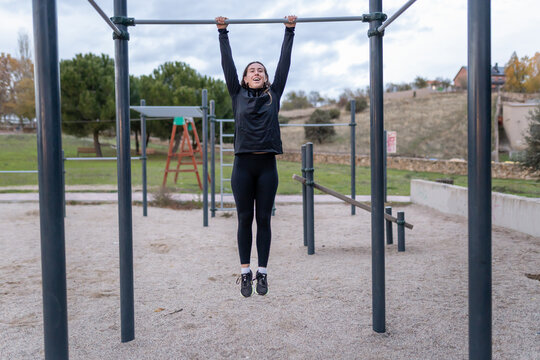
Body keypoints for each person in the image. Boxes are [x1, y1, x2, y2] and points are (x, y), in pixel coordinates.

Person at [216, 15, 297, 297]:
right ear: (244, 77)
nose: (257, 72)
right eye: (252, 69)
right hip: (242, 166)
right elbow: (228, 63)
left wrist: (289, 31)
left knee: (263, 219)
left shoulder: (274, 93)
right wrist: (222, 32)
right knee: (243, 218)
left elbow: (284, 64)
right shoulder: (236, 93)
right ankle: (245, 272)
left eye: (261, 69)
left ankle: (263, 273)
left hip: (266, 166)